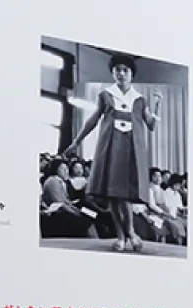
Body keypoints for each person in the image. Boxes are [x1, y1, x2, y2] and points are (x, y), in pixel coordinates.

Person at [65, 52, 161, 253]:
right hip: (110, 147)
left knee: (123, 196)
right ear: (113, 73)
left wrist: (157, 105)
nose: (121, 73)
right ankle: (123, 236)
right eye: (118, 70)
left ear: (131, 74)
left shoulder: (139, 99)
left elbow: (151, 125)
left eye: (125, 70)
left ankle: (130, 232)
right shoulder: (105, 95)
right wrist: (76, 142)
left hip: (131, 150)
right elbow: (92, 120)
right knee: (112, 195)